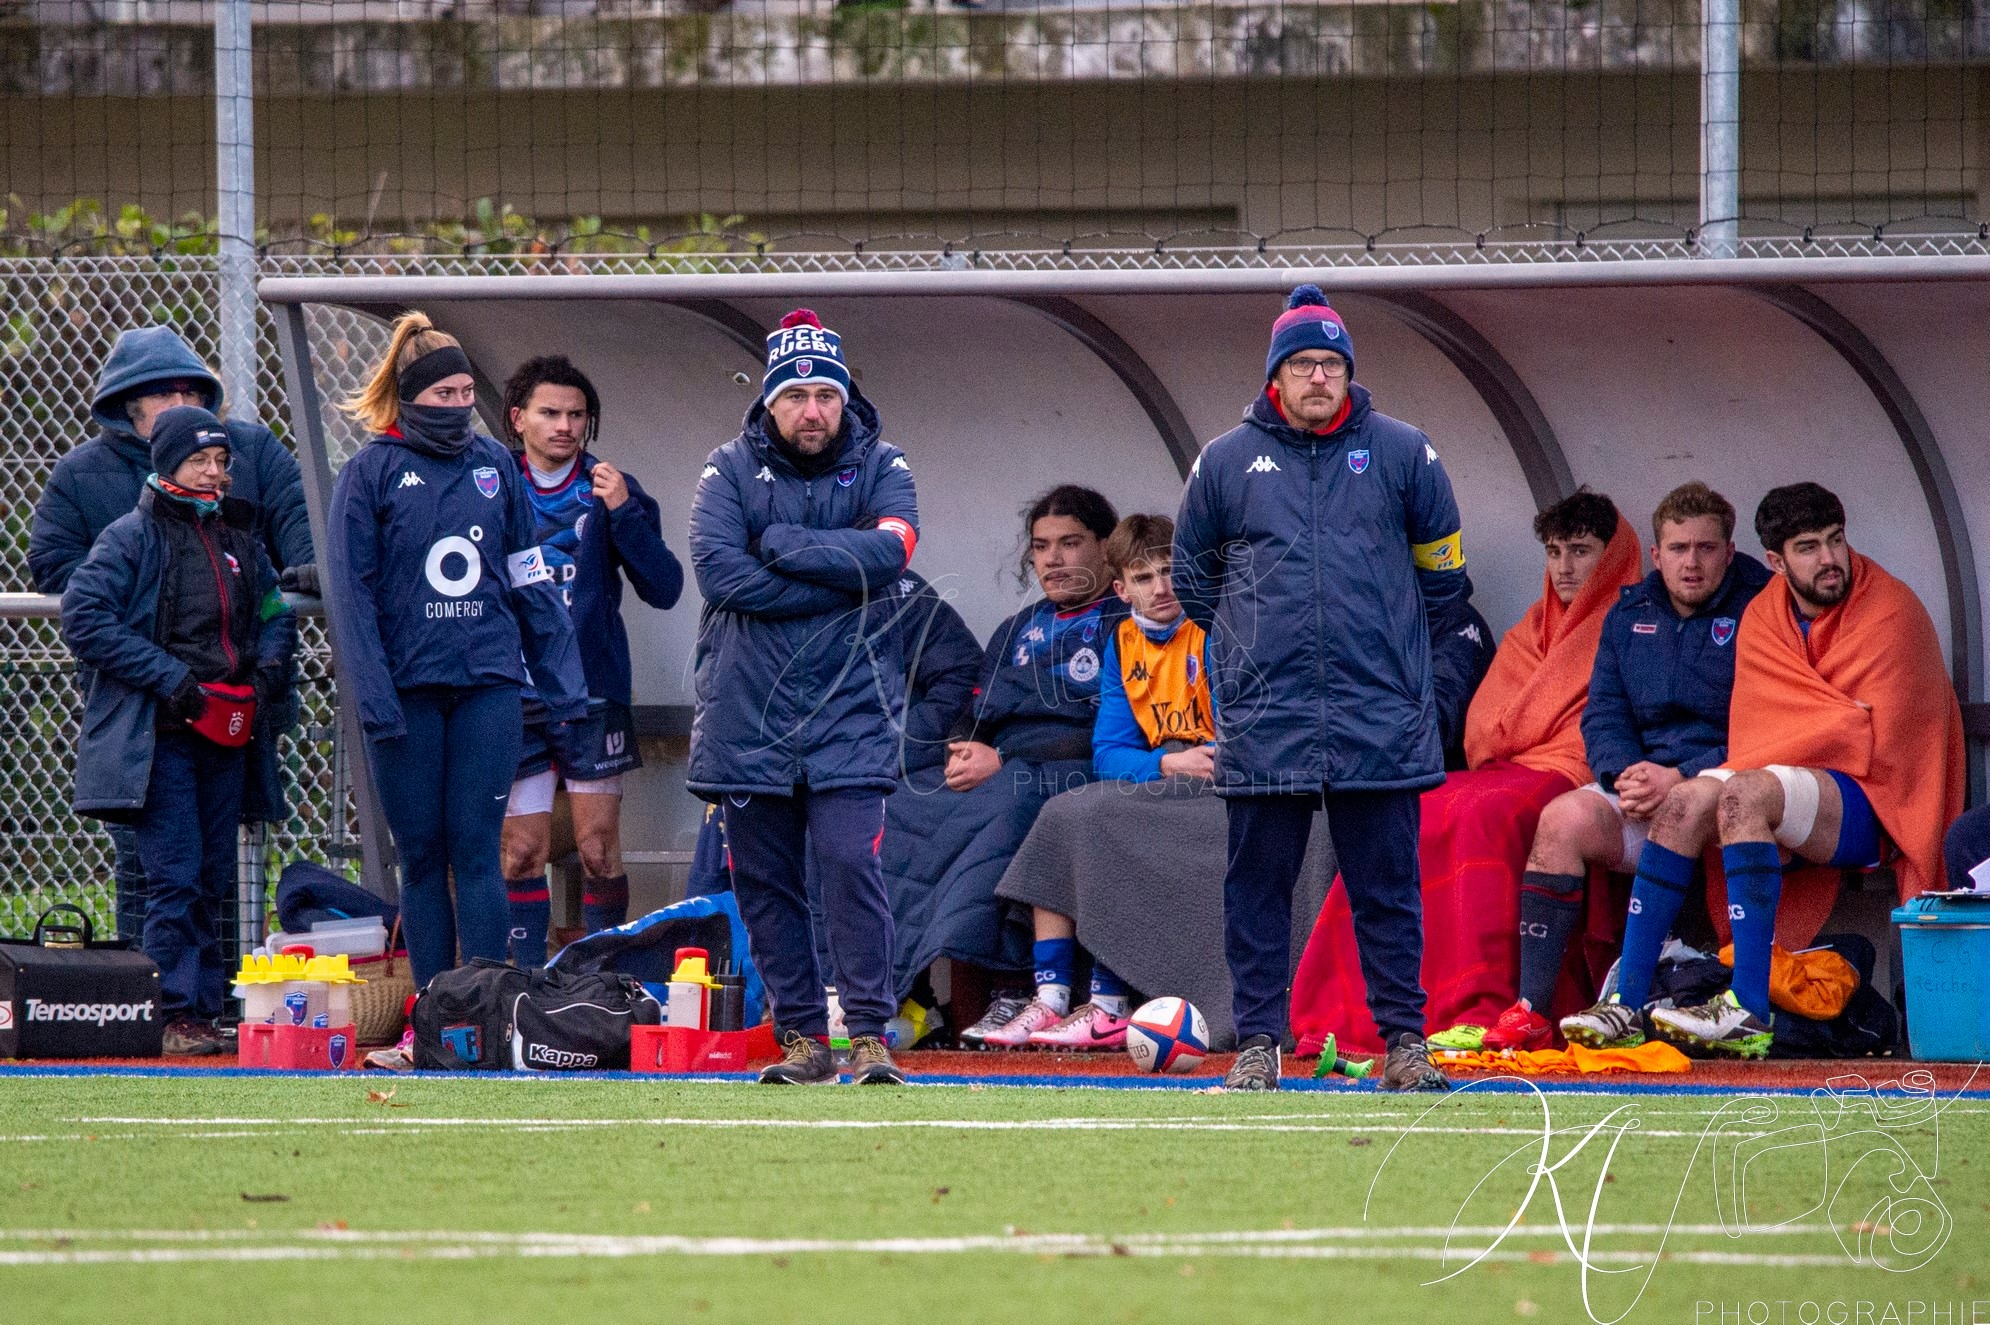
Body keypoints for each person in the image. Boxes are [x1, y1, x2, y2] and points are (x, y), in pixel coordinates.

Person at [1173, 284, 1469, 1092]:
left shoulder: (1407, 451)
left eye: (1331, 364)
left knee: (1389, 890)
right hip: (1268, 713)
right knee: (1257, 888)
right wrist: (1250, 655)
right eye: (1302, 364)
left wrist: (1396, 662)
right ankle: (1260, 1043)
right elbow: (1193, 582)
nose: (1318, 377)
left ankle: (1407, 1044)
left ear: (1349, 373)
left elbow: (1445, 580)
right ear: (1276, 377)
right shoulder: (1226, 459)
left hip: (1379, 712)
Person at [1562, 483, 1965, 1058]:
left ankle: (1747, 1007)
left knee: (1745, 793)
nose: (1829, 559)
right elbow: (1767, 726)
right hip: (1796, 783)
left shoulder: (1891, 609)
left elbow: (1872, 737)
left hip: (1882, 801)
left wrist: (1821, 729)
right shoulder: (1765, 613)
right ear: (1775, 562)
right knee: (1685, 802)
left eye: (1835, 541)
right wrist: (1824, 725)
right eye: (1808, 547)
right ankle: (1627, 1002)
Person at [1289, 488, 1641, 1059]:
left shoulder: (1633, 623)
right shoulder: (1535, 624)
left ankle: (1485, 1001)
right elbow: (1482, 728)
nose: (1566, 567)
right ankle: (1364, 1005)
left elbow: (1585, 727)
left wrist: (1522, 728)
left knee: (1482, 812)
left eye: (1581, 551)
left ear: (1615, 553)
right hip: (1510, 767)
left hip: (1571, 774)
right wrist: (1528, 729)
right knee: (1421, 804)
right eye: (1554, 552)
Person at [324, 313, 586, 1071]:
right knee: (423, 854)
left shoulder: (495, 468)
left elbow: (527, 569)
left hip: (488, 687)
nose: (458, 405)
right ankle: (431, 1022)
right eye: (444, 391)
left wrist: (562, 682)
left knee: (479, 850)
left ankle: (492, 1014)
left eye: (468, 391)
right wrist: (373, 698)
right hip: (405, 695)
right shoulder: (370, 471)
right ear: (409, 398)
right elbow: (353, 596)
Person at [688, 308, 919, 1086]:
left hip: (849, 706)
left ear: (845, 397)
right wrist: (838, 580)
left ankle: (869, 1034)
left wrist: (783, 548)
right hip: (746, 711)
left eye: (826, 394)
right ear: (770, 402)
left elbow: (892, 553)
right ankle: (801, 1038)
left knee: (851, 862)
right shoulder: (725, 469)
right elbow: (721, 575)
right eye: (797, 396)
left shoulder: (886, 463)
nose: (813, 410)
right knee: (765, 879)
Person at [30, 325, 313, 941]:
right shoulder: (96, 490)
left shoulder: (252, 453)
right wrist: (153, 623)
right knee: (158, 864)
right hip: (145, 707)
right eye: (164, 395)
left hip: (237, 700)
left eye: (192, 392)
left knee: (227, 854)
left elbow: (293, 545)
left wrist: (266, 654)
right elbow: (58, 569)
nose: (182, 406)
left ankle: (218, 1000)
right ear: (131, 406)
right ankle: (153, 996)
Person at [1465, 482, 1769, 1051]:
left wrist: (1681, 774)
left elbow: (1768, 716)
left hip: (1728, 779)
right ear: (1656, 556)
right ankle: (1531, 1008)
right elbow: (1603, 713)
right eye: (1678, 549)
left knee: (1682, 803)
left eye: (1706, 548)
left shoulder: (1761, 606)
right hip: (1643, 785)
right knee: (1559, 821)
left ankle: (1629, 1001)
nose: (1692, 563)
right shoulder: (1629, 613)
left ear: (1730, 552)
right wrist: (1622, 773)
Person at [60, 406, 297, 1054]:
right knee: (176, 874)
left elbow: (274, 609)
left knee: (214, 871)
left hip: (227, 734)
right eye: (201, 460)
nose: (216, 472)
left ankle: (204, 1008)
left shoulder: (239, 538)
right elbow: (83, 616)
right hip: (160, 736)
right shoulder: (129, 537)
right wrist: (169, 678)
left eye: (222, 460)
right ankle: (168, 1014)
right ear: (168, 464)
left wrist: (269, 668)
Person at [883, 485, 1128, 1048]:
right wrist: (962, 748)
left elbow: (1118, 730)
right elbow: (971, 712)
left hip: (1079, 768)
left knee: (1013, 806)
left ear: (1105, 549)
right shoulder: (1016, 629)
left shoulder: (1126, 622)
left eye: (1071, 543)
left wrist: (1006, 758)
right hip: (1003, 768)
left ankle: (1017, 991)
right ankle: (900, 993)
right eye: (1042, 547)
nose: (1054, 559)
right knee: (896, 807)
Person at [984, 514, 1212, 1050]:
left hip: (1219, 786)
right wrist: (1161, 766)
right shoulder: (1124, 640)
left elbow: (1245, 738)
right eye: (1144, 577)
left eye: (1171, 572)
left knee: (1107, 819)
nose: (1161, 588)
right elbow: (1108, 752)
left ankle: (1109, 1005)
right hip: (1163, 777)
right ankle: (1052, 997)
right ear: (1121, 589)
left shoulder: (1213, 630)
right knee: (1066, 811)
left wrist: (1186, 762)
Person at [496, 355, 683, 965]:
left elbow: (665, 587)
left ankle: (600, 977)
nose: (565, 426)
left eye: (577, 415)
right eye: (550, 413)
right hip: (513, 694)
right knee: (519, 852)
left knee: (598, 848)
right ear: (518, 418)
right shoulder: (490, 485)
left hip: (592, 696)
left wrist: (625, 510)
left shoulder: (610, 487)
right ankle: (522, 984)